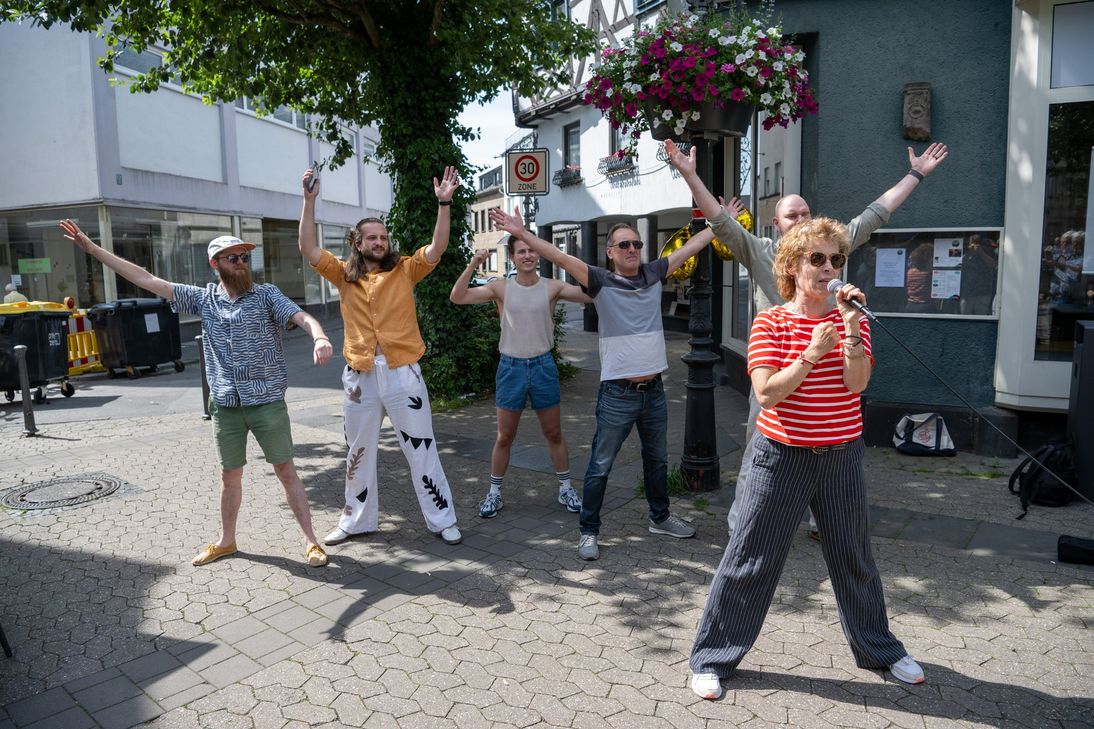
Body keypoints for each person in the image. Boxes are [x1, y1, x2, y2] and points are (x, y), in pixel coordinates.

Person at [688, 217, 924, 700]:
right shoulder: (770, 322)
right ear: (793, 267)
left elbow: (858, 384)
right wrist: (812, 354)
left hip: (840, 456)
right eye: (816, 258)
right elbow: (768, 393)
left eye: (836, 259)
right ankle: (712, 658)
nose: (828, 267)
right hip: (781, 458)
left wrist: (852, 331)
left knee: (854, 556)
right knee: (751, 559)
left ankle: (879, 648)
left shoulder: (850, 320)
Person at [665, 138, 949, 536]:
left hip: (832, 371)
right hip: (779, 372)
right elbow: (721, 222)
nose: (800, 220)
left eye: (805, 214)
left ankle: (824, 520)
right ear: (777, 225)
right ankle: (743, 524)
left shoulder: (831, 250)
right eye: (791, 216)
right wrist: (689, 173)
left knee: (835, 448)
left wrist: (916, 173)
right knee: (758, 450)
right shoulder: (761, 250)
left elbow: (876, 213)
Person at [58, 220, 333, 567]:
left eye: (243, 257)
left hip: (266, 403)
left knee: (286, 471)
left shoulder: (266, 295)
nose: (240, 263)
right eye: (232, 258)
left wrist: (319, 336)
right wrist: (93, 250)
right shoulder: (204, 300)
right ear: (215, 264)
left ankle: (311, 542)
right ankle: (227, 541)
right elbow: (146, 279)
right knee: (229, 476)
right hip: (226, 406)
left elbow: (302, 316)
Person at [490, 206, 715, 561]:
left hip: (654, 392)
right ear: (610, 252)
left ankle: (660, 517)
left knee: (656, 461)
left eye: (637, 244)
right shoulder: (600, 280)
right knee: (600, 465)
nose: (632, 249)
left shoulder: (654, 273)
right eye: (624, 244)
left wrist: (722, 221)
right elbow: (557, 255)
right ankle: (588, 530)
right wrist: (524, 233)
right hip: (617, 394)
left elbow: (691, 246)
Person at [299, 166, 464, 547]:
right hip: (359, 377)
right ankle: (356, 521)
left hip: (403, 374)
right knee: (357, 453)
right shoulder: (343, 275)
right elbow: (308, 248)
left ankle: (442, 519)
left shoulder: (405, 269)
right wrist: (308, 202)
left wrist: (444, 203)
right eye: (372, 237)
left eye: (384, 237)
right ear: (357, 242)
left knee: (422, 448)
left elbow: (437, 248)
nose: (380, 242)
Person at [449, 239, 591, 519]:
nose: (528, 255)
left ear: (539, 254)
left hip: (543, 366)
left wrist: (566, 260)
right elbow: (458, 296)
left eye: (532, 250)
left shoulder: (552, 287)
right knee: (504, 436)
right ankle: (494, 493)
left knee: (553, 433)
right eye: (521, 251)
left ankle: (565, 488)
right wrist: (474, 264)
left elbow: (591, 293)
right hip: (511, 367)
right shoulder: (501, 288)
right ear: (512, 256)